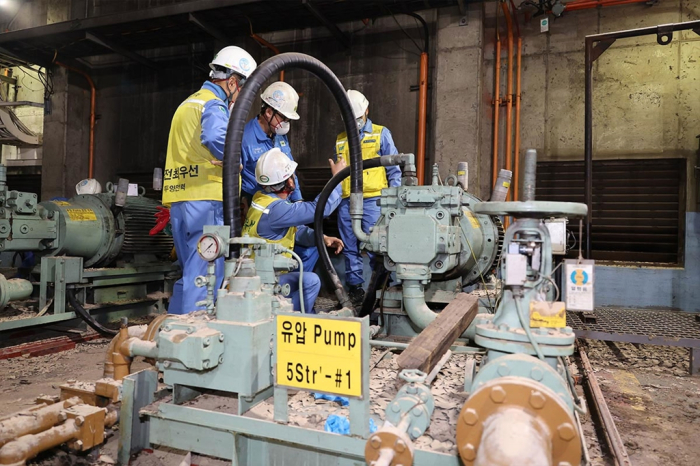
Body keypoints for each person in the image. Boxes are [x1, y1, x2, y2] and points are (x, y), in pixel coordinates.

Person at [163, 46, 257, 315]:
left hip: (181, 200)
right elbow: (216, 137)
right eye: (241, 89)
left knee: (189, 271)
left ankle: (173, 331)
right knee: (205, 275)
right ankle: (192, 341)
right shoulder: (213, 104)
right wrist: (233, 160)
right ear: (231, 82)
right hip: (207, 201)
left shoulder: (187, 103)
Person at [242, 148, 346, 313]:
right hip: (265, 282)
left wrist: (322, 237)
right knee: (311, 281)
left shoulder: (261, 198)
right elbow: (319, 209)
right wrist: (337, 179)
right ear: (288, 182)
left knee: (313, 248)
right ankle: (287, 319)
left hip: (253, 277)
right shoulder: (276, 210)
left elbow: (294, 230)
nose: (295, 177)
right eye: (292, 175)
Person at [240, 81, 319, 274]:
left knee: (311, 247)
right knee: (268, 255)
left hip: (287, 200)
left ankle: (295, 288)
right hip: (263, 206)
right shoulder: (244, 138)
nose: (286, 123)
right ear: (268, 112)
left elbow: (289, 168)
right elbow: (235, 175)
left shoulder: (278, 135)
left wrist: (298, 198)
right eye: (284, 117)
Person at [335, 89, 402, 305]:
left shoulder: (381, 133)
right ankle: (355, 290)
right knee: (349, 247)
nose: (354, 122)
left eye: (357, 118)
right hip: (347, 200)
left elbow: (394, 170)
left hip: (374, 201)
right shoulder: (341, 139)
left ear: (366, 111)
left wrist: (394, 201)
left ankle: (381, 288)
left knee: (377, 246)